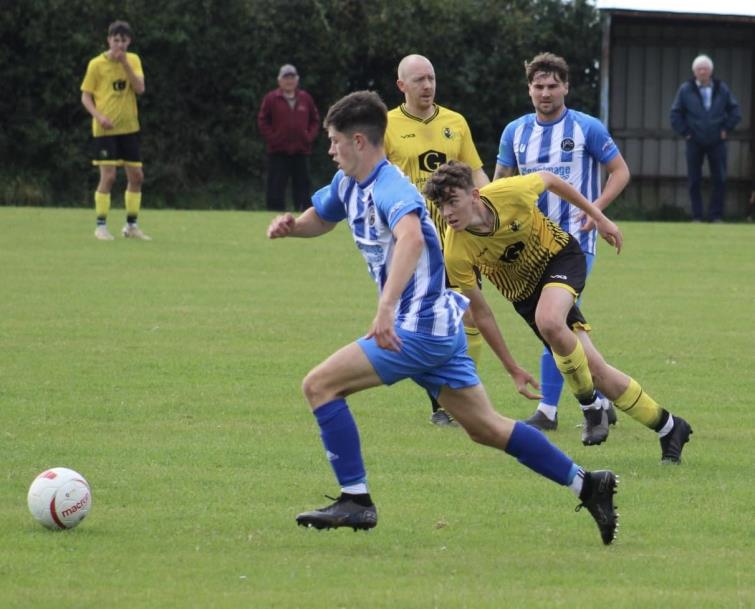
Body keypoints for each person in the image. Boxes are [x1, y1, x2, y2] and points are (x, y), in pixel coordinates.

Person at [266, 90, 620, 545]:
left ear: (358, 140)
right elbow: (323, 216)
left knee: (319, 385)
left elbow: (411, 239)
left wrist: (386, 308)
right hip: (441, 330)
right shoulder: (346, 183)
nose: (329, 150)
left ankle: (355, 500)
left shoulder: (391, 187)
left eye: (334, 142)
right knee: (487, 428)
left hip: (418, 327)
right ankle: (589, 484)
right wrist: (293, 226)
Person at [423, 160, 693, 465]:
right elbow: (482, 314)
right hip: (526, 297)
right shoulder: (455, 250)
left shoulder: (510, 192)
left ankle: (590, 407)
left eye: (452, 202)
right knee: (598, 371)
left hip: (560, 259)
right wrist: (512, 367)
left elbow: (551, 179)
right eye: (440, 206)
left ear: (473, 194)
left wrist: (599, 217)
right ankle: (669, 427)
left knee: (549, 320)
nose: (446, 213)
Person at [494, 52, 630, 443]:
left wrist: (597, 212)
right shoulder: (515, 132)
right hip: (531, 247)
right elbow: (500, 184)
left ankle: (548, 410)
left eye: (553, 85)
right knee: (560, 324)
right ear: (529, 89)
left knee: (550, 320)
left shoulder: (586, 127)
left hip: (576, 242)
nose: (546, 93)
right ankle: (601, 395)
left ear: (566, 87)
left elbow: (620, 171)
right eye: (538, 86)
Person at [385, 54, 493, 427]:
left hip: (457, 237)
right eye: (418, 80)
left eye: (431, 78)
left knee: (469, 314)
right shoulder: (386, 125)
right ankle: (443, 401)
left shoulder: (455, 122)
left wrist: (491, 205)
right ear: (402, 86)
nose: (427, 86)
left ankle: (454, 403)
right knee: (425, 323)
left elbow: (476, 173)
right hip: (414, 240)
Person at [81, 20, 150, 241]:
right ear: (108, 40)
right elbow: (85, 96)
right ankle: (100, 226)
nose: (119, 44)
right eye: (115, 39)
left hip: (129, 128)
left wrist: (125, 65)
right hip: (105, 130)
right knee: (109, 177)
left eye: (123, 40)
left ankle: (131, 226)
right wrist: (99, 116)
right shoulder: (96, 64)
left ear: (129, 41)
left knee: (137, 176)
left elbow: (139, 88)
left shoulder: (133, 60)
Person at [670, 54, 741, 223]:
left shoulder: (721, 88)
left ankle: (716, 215)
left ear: (711, 71)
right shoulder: (685, 89)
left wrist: (726, 129)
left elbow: (735, 111)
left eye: (705, 69)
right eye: (699, 69)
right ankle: (697, 216)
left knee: (720, 178)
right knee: (694, 180)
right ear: (694, 72)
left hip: (717, 141)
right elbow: (675, 114)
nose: (702, 72)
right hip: (694, 141)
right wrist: (686, 132)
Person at [257, 64, 320, 212]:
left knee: (302, 185)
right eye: (286, 78)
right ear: (279, 80)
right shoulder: (271, 98)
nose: (289, 81)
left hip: (301, 150)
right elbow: (262, 120)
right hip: (278, 151)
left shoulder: (305, 98)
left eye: (292, 77)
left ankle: (304, 213)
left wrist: (308, 137)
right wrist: (273, 138)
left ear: (297, 80)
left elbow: (315, 120)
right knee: (275, 186)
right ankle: (273, 213)